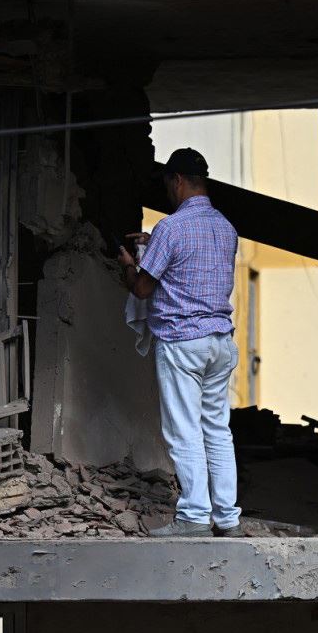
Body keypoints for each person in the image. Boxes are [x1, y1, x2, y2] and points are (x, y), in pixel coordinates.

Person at [117, 147, 244, 538]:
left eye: (168, 185)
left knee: (184, 431)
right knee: (217, 430)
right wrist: (153, 242)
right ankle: (227, 518)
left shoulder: (171, 228)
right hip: (220, 342)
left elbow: (142, 288)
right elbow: (192, 262)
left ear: (177, 180)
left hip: (182, 343)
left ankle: (193, 517)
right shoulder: (226, 228)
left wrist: (128, 264)